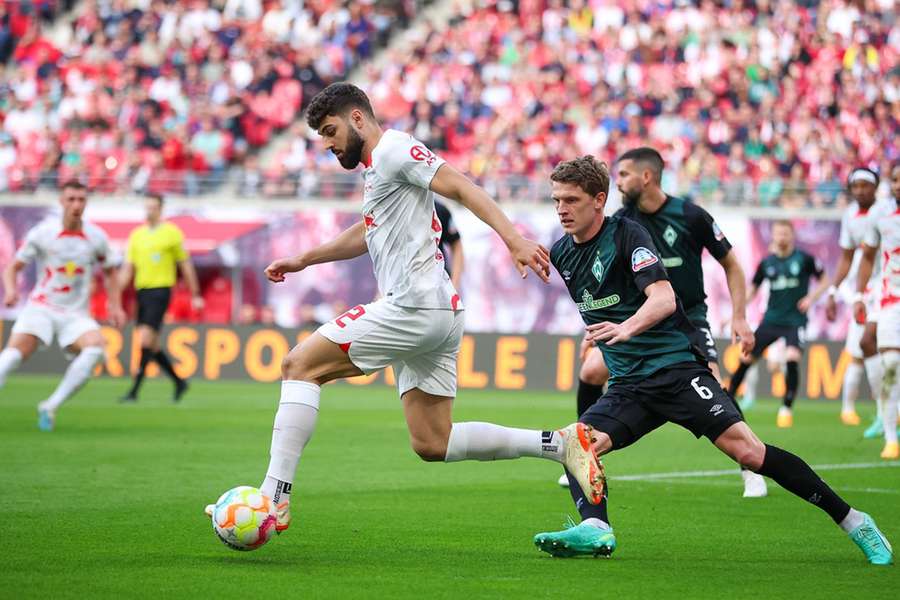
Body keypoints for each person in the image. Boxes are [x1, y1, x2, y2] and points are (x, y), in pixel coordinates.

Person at [204, 83, 604, 533]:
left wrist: (512, 238)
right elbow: (368, 231)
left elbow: (460, 186)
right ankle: (561, 444)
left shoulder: (394, 148)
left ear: (358, 119)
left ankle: (273, 498)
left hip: (414, 307)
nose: (329, 144)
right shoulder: (379, 171)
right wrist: (304, 258)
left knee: (299, 365)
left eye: (331, 131)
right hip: (438, 313)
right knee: (433, 441)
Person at [532, 155, 891, 565]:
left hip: (675, 370)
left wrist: (626, 328)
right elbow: (596, 296)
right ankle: (596, 528)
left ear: (599, 200)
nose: (561, 209)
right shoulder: (561, 252)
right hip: (630, 383)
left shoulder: (629, 234)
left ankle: (855, 521)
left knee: (750, 453)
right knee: (577, 445)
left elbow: (664, 299)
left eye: (571, 200)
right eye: (556, 199)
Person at [564, 147, 766, 498]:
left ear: (646, 177)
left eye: (624, 174)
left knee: (715, 383)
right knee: (591, 372)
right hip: (637, 321)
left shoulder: (690, 215)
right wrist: (597, 329)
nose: (619, 182)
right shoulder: (622, 222)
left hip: (685, 320)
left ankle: (750, 468)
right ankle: (587, 456)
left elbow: (732, 265)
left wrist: (739, 316)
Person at [0, 181, 125, 430]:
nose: (76, 205)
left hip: (76, 313)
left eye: (81, 199)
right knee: (12, 356)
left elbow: (111, 272)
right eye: (71, 199)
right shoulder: (42, 232)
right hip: (41, 307)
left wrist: (115, 305)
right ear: (61, 201)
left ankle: (50, 406)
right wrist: (12, 291)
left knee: (95, 350)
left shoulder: (96, 236)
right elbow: (13, 268)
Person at [727, 220, 831, 428]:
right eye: (778, 234)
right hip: (772, 319)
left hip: (795, 320)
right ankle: (728, 400)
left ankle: (786, 408)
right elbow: (753, 289)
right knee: (746, 358)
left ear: (792, 235)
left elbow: (825, 280)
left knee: (792, 358)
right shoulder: (767, 263)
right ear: (773, 236)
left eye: (785, 233)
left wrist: (811, 298)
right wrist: (737, 310)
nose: (781, 237)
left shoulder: (804, 259)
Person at [118, 195, 202, 402]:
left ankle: (134, 391)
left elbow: (185, 264)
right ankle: (179, 382)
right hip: (142, 292)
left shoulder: (171, 233)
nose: (149, 211)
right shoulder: (136, 235)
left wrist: (195, 294)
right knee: (152, 345)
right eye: (147, 207)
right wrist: (114, 295)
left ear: (161, 209)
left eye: (153, 207)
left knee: (145, 339)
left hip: (160, 290)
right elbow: (128, 268)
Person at [825, 168, 888, 432]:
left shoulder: (886, 210)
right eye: (856, 186)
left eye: (866, 185)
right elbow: (847, 257)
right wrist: (833, 291)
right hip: (864, 289)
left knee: (885, 351)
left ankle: (885, 413)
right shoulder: (849, 215)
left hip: (888, 285)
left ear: (875, 187)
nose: (861, 190)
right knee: (861, 349)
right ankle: (879, 414)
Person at [854, 163, 900, 460]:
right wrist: (860, 295)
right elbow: (868, 256)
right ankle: (891, 435)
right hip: (890, 299)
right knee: (892, 363)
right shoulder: (879, 214)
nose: (899, 185)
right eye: (895, 180)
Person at [434, 199, 464, 290]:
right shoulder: (397, 209)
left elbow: (456, 245)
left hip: (439, 285)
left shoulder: (439, 210)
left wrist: (454, 284)